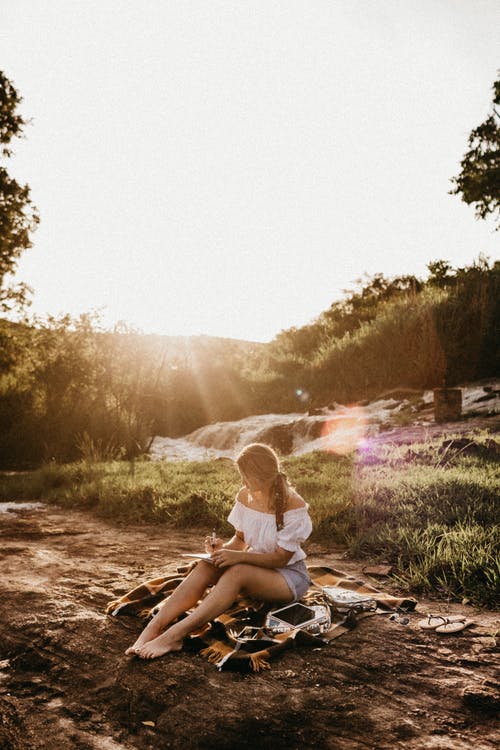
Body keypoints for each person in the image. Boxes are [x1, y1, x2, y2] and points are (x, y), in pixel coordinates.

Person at [125, 442, 313, 659]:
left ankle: (174, 635)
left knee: (237, 571)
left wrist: (238, 556)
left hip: (288, 577)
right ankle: (154, 628)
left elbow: (281, 558)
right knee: (207, 564)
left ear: (262, 476)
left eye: (246, 476)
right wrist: (221, 550)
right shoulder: (246, 495)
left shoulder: (293, 504)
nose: (243, 481)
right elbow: (240, 539)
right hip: (254, 567)